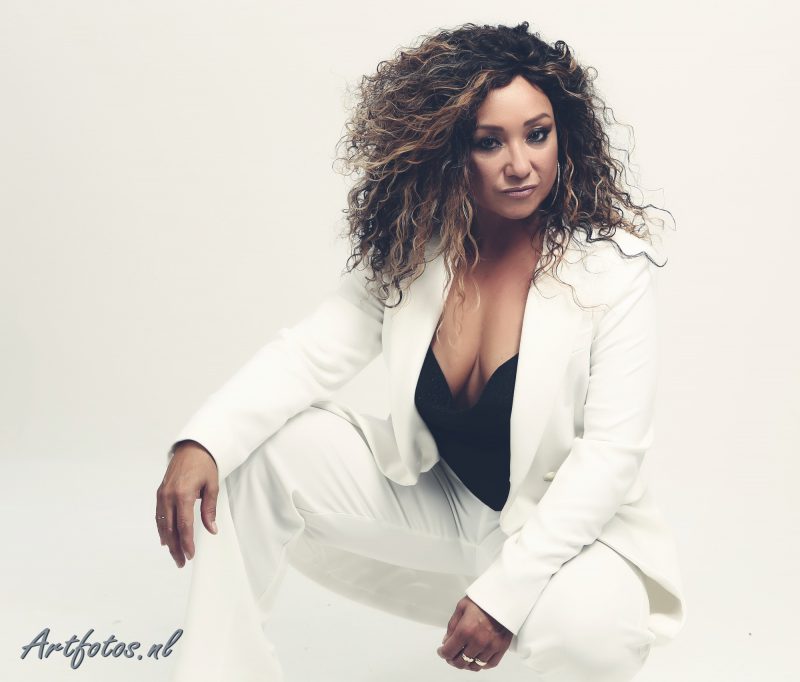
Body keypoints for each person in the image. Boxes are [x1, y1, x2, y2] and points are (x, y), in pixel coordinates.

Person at [155, 21, 686, 682]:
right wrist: (202, 441)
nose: (519, 164)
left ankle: (564, 612)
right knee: (255, 451)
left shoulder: (613, 273)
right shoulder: (416, 253)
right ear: (449, 149)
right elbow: (307, 356)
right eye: (489, 142)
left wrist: (506, 594)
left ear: (564, 135)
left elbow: (609, 457)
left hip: (569, 535)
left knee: (591, 638)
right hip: (443, 505)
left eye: (537, 134)